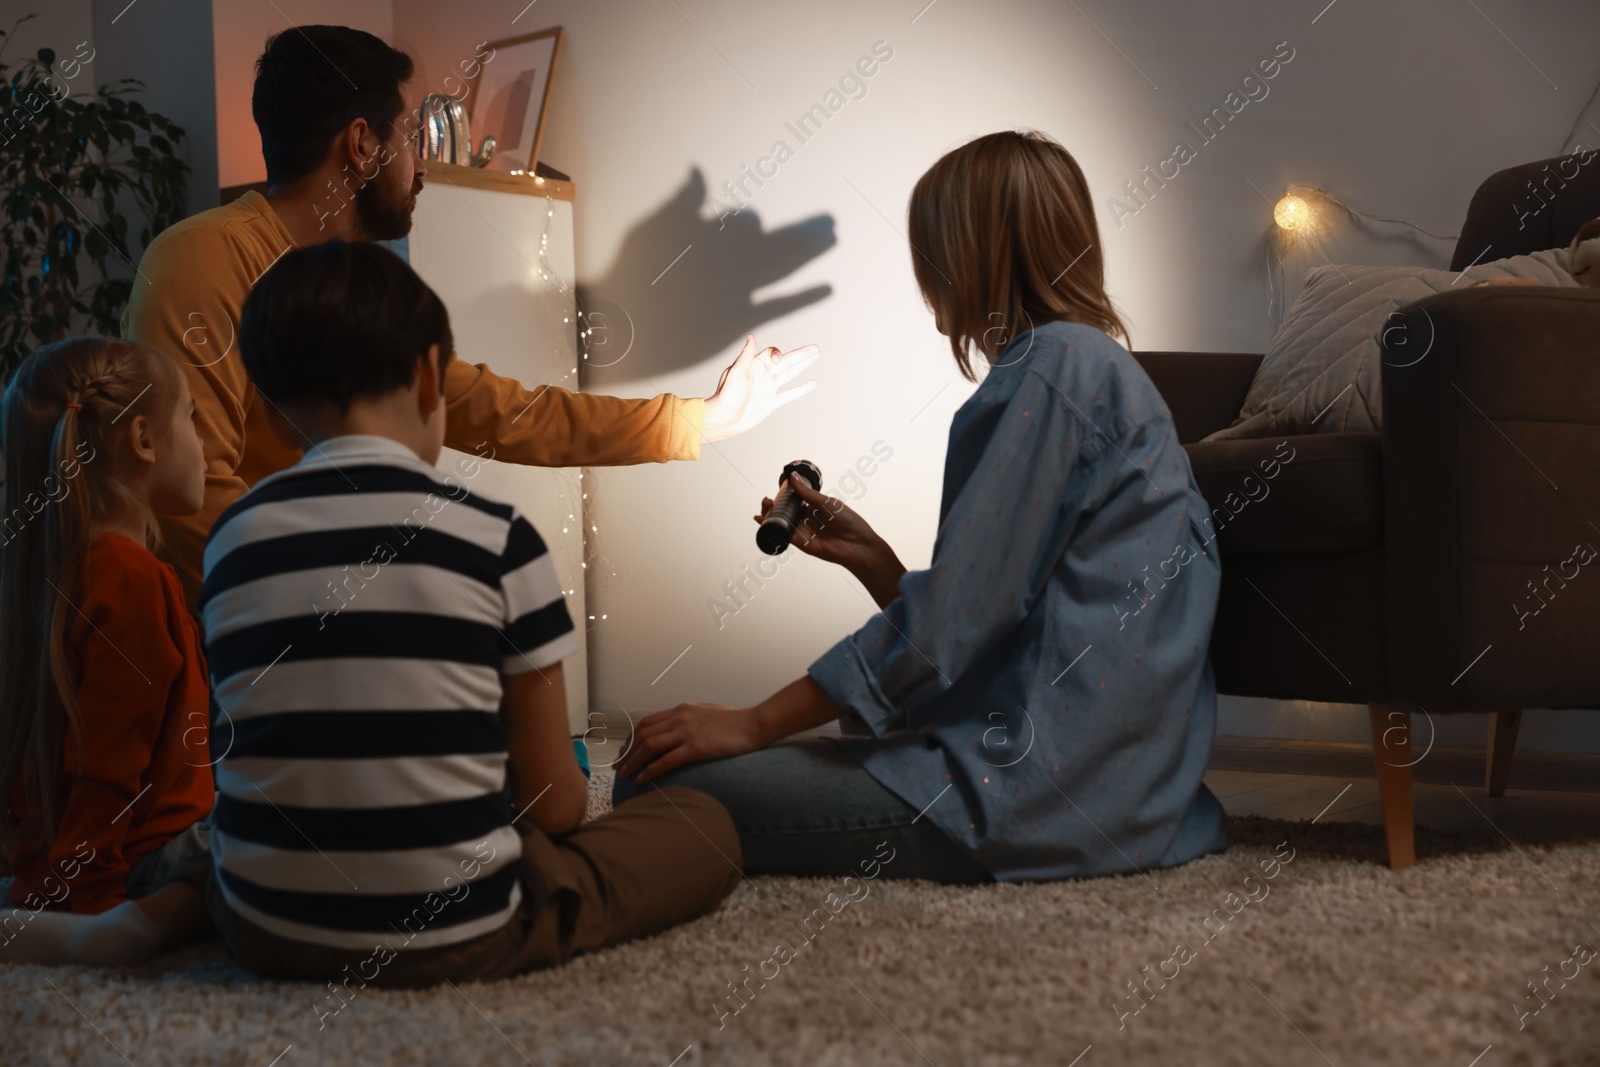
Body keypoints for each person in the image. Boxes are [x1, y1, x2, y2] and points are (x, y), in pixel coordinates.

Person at [614, 130, 1229, 884]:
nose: (923, 275)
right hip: (1135, 797)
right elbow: (994, 615)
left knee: (651, 781)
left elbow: (952, 626)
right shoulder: (1100, 370)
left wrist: (749, 722)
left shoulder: (1048, 373)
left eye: (930, 250)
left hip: (1027, 795)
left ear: (969, 254)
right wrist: (875, 561)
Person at [195, 240, 739, 986]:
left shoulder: (229, 540)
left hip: (262, 929)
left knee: (200, 842)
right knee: (704, 825)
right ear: (429, 375)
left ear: (269, 406)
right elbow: (553, 803)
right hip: (460, 930)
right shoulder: (496, 537)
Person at [124, 24, 819, 606]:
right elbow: (188, 505)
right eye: (409, 139)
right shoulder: (201, 261)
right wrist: (357, 611)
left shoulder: (360, 294)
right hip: (245, 675)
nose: (421, 168)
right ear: (361, 144)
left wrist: (699, 420)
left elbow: (506, 414)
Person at [0, 338, 216, 965]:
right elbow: (108, 761)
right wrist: (87, 897)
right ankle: (122, 930)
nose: (203, 445)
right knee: (273, 836)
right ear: (144, 440)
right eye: (192, 421)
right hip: (140, 864)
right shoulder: (129, 575)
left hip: (83, 855)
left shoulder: (64, 570)